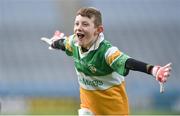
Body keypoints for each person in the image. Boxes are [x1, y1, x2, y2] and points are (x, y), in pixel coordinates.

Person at [41, 7, 172, 115]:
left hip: (114, 111)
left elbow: (129, 62)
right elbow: (63, 44)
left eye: (85, 24)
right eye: (77, 24)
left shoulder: (108, 52)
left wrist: (154, 70)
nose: (78, 28)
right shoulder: (74, 42)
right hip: (88, 109)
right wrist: (55, 43)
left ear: (98, 30)